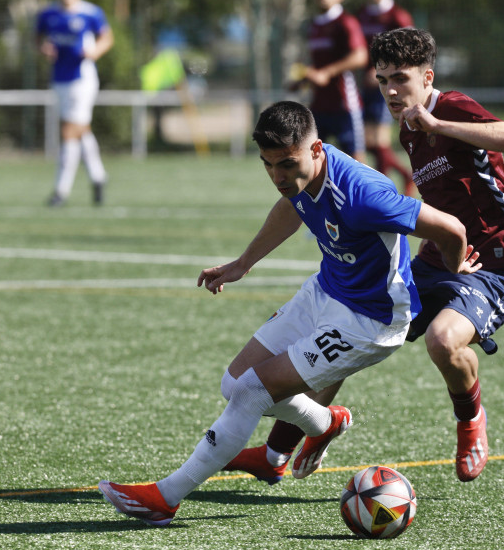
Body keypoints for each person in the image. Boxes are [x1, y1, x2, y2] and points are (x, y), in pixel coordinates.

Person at [98, 100, 478, 526]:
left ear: (316, 150)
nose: (278, 176)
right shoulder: (300, 178)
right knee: (233, 382)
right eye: (268, 165)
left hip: (370, 320)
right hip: (324, 290)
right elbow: (291, 209)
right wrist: (243, 263)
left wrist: (453, 266)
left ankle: (165, 498)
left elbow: (453, 229)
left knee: (251, 392)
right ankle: (325, 422)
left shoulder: (364, 195)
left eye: (287, 164)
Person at [225, 28, 504, 484]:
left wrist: (439, 125)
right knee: (344, 329)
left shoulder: (448, 108)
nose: (390, 90)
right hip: (437, 255)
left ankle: (470, 421)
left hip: (490, 264)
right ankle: (273, 456)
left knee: (443, 342)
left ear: (427, 78)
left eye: (400, 79)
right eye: (382, 79)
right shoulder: (407, 126)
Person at [36, 0, 113, 207]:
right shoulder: (48, 14)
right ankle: (98, 176)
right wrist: (43, 48)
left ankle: (61, 191)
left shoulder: (91, 13)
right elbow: (37, 39)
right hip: (59, 78)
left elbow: (107, 39)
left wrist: (95, 51)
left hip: (83, 79)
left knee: (69, 131)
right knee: (81, 130)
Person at [294, 0, 368, 163]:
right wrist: (302, 80)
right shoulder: (314, 26)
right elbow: (317, 65)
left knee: (356, 162)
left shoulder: (346, 22)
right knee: (311, 159)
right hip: (319, 105)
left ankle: (367, 194)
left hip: (344, 105)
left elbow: (360, 56)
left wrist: (326, 73)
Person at [357, 0, 415, 195]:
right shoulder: (361, 15)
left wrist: (383, 71)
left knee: (379, 140)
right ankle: (403, 174)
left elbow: (410, 50)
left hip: (389, 87)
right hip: (367, 88)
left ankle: (382, 195)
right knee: (370, 142)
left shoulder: (397, 16)